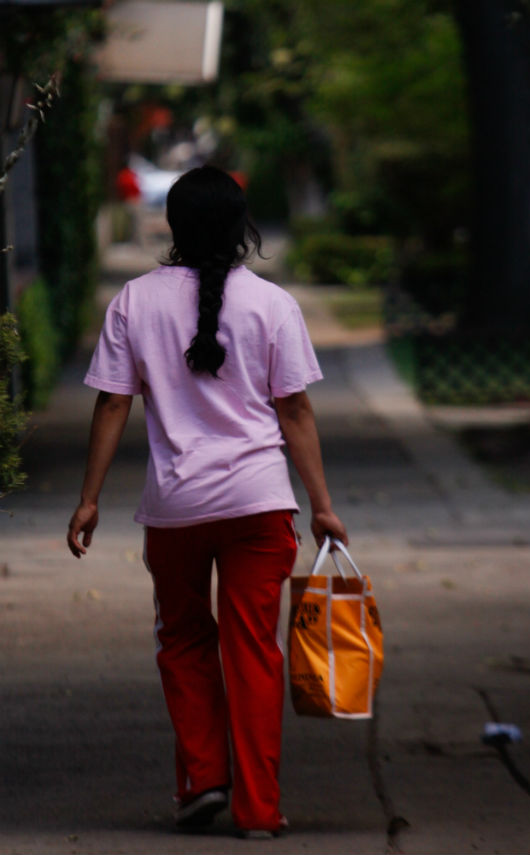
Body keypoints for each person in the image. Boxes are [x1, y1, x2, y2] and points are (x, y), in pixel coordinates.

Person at [67, 165, 347, 839]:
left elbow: (112, 402)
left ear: (174, 226)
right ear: (240, 226)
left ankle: (202, 779)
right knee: (254, 649)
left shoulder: (135, 300)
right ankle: (259, 808)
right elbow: (297, 410)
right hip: (259, 505)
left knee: (185, 641)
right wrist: (322, 504)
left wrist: (89, 499)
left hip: (177, 507)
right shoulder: (273, 304)